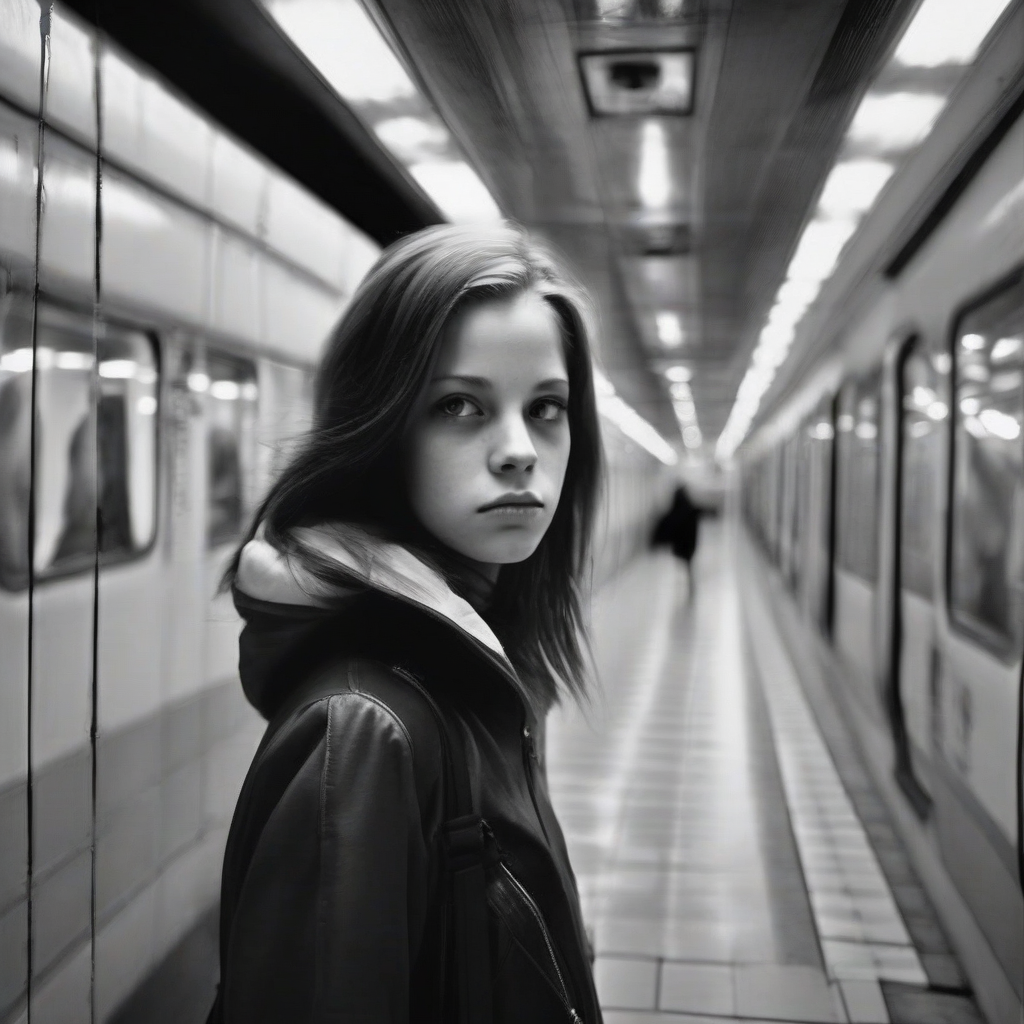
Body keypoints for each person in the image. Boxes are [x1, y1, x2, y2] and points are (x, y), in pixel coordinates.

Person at [211, 224, 604, 1023]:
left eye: (547, 407)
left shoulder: (478, 671)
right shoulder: (363, 729)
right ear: (382, 426)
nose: (519, 451)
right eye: (459, 405)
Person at [653, 483, 701, 577]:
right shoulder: (690, 510)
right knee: (687, 564)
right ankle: (688, 580)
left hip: (681, 544)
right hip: (689, 543)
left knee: (683, 564)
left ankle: (685, 579)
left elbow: (666, 525)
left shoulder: (675, 512)